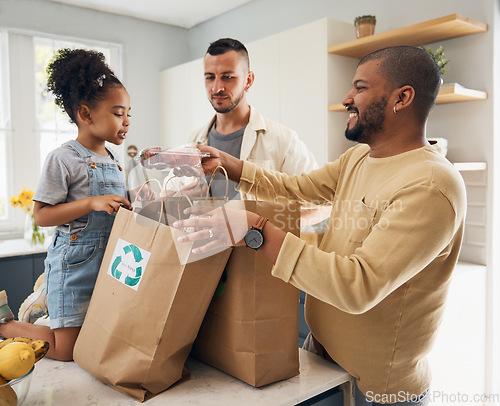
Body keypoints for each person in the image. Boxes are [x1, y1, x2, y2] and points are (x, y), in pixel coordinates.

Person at [172, 46, 466, 405]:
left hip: (376, 389)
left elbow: (358, 285)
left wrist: (253, 228)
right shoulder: (359, 157)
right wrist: (230, 165)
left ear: (401, 98)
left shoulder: (431, 185)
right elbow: (297, 190)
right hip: (323, 357)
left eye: (359, 88)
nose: (347, 98)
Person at [0, 49, 133, 361]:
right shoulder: (64, 158)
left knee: (97, 337)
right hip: (75, 265)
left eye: (129, 113)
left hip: (108, 265)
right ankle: (6, 325)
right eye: (118, 113)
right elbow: (42, 215)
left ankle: (45, 302)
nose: (126, 121)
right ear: (86, 115)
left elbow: (117, 203)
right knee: (66, 350)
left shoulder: (113, 161)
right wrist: (91, 202)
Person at [174, 37, 318, 199]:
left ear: (248, 80)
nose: (217, 88)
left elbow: (320, 203)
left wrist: (266, 224)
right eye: (210, 77)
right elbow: (172, 195)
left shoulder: (283, 140)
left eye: (227, 77)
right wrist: (178, 198)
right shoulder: (194, 140)